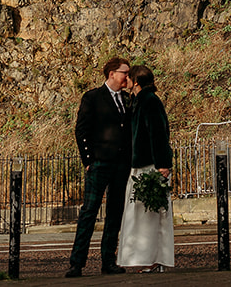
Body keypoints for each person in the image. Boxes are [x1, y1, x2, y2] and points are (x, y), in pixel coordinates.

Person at [67, 57, 133, 277]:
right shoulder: (93, 97)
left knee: (115, 213)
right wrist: (88, 161)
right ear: (112, 73)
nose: (128, 77)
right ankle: (77, 263)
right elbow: (81, 130)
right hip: (99, 163)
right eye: (125, 72)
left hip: (120, 165)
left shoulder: (127, 98)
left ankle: (108, 261)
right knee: (89, 212)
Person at [115, 64, 174, 273]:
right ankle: (148, 258)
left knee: (150, 214)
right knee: (143, 214)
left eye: (129, 77)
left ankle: (153, 259)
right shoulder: (140, 101)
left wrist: (163, 164)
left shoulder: (148, 102)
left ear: (136, 81)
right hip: (141, 164)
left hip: (150, 166)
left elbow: (158, 133)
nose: (126, 81)